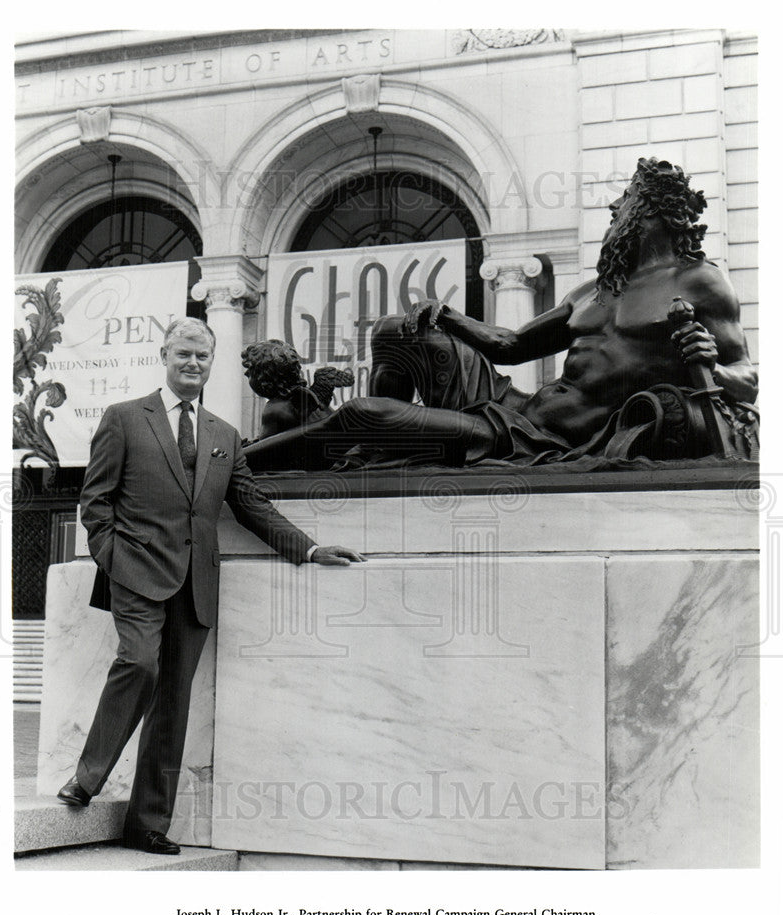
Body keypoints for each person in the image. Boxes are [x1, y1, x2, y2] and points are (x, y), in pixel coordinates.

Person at [57, 317, 364, 855]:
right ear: (165, 355)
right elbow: (95, 502)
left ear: (211, 361)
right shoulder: (125, 418)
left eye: (202, 356)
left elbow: (249, 504)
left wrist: (309, 548)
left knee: (173, 702)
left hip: (196, 584)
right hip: (135, 572)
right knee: (140, 663)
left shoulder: (224, 434)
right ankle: (88, 775)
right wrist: (113, 558)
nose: (193, 364)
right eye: (183, 354)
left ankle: (147, 823)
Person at [244, 157, 757, 471]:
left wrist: (716, 366)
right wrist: (445, 316)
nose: (611, 213)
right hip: (511, 406)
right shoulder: (593, 292)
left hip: (542, 440)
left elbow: (748, 380)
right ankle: (372, 458)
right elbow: (510, 346)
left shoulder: (699, 281)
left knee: (361, 412)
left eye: (622, 203)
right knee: (394, 334)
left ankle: (241, 465)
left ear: (651, 211)